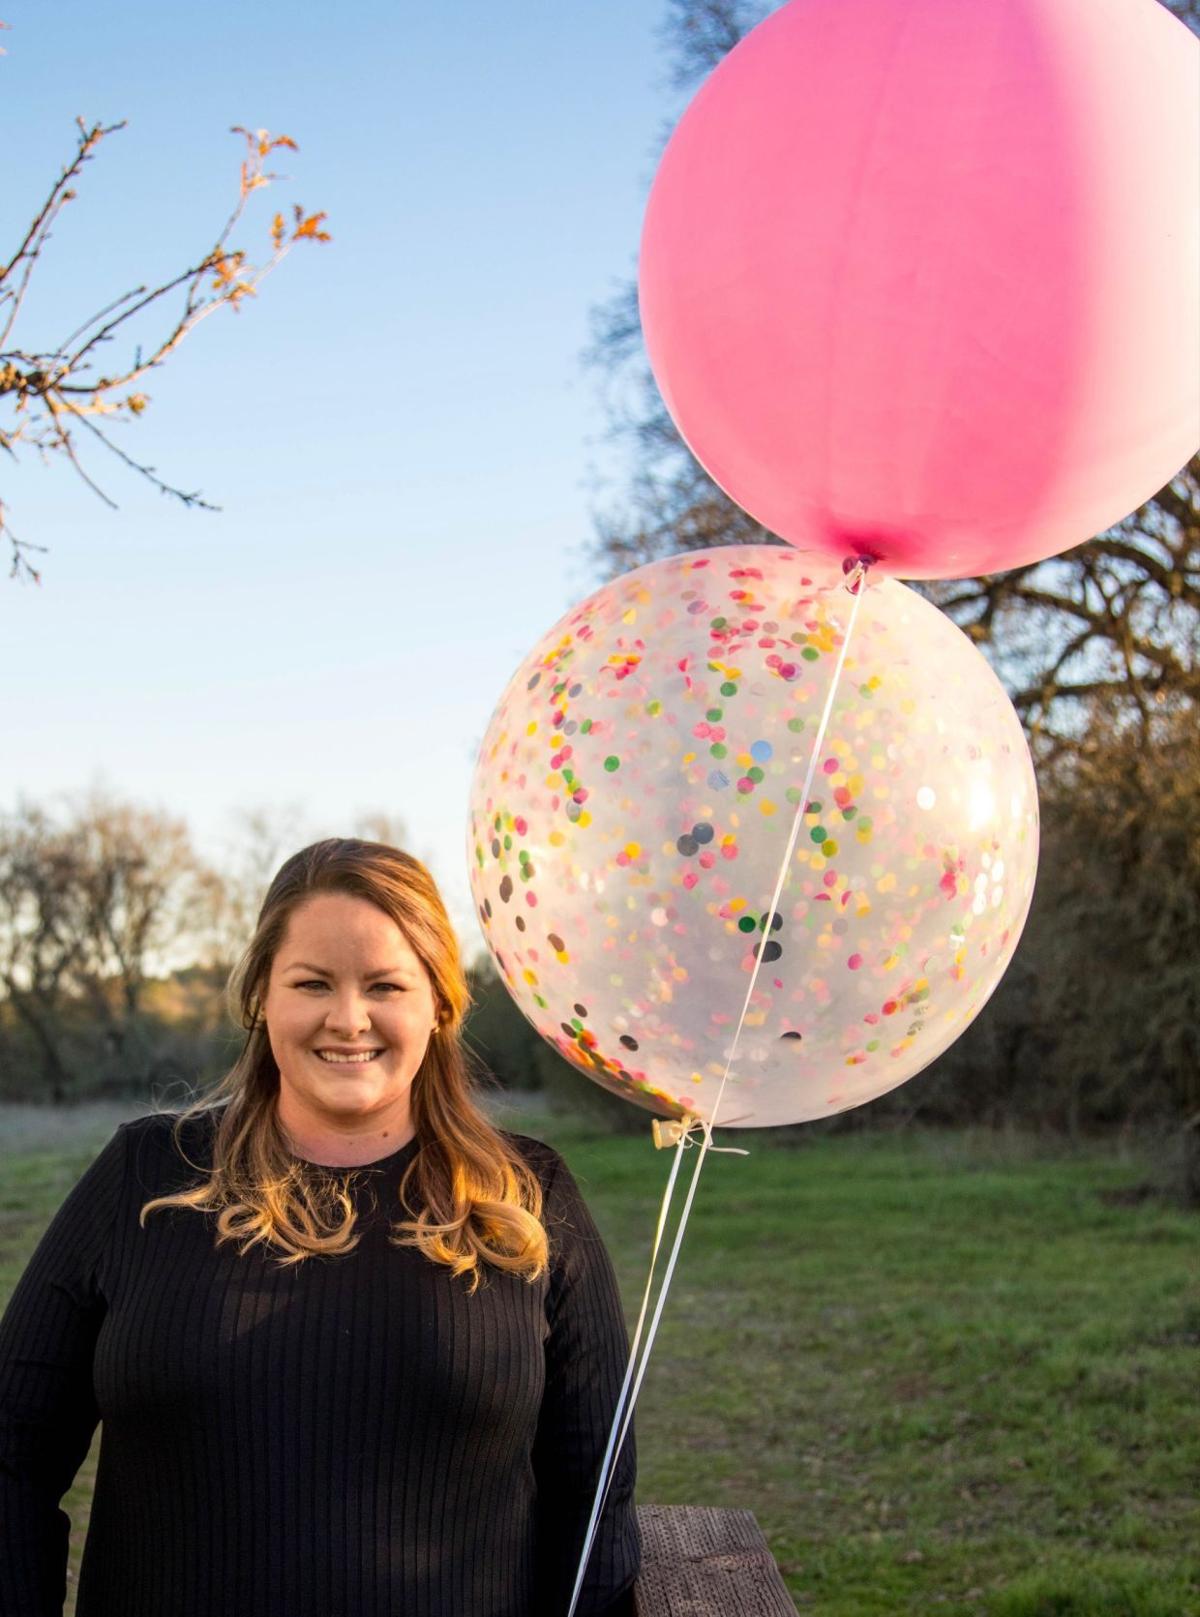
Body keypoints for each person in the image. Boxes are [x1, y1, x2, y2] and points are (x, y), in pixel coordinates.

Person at [0, 838, 640, 1617]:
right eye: (312, 982)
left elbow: (595, 1498)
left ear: (438, 1004)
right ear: (262, 996)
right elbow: (13, 1449)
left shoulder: (526, 1197)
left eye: (385, 985)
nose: (348, 1018)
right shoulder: (145, 1174)